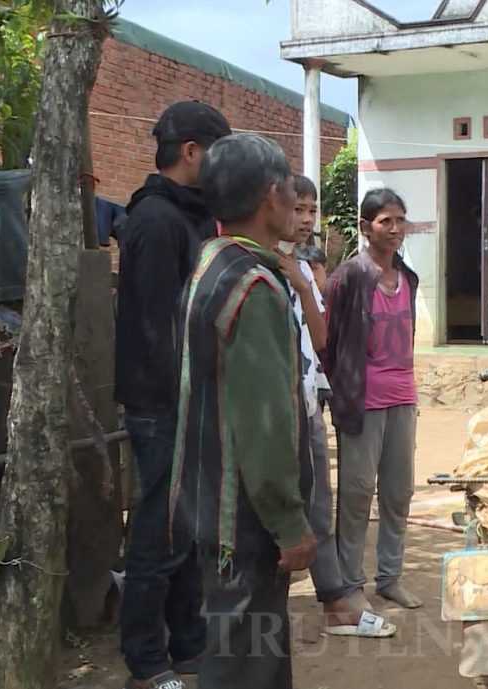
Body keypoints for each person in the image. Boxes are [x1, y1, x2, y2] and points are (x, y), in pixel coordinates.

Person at [168, 133, 316, 689]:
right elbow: (264, 423)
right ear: (272, 196)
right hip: (245, 520)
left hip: (211, 504)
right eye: (289, 190)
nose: (294, 202)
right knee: (245, 664)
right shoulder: (254, 287)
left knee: (253, 657)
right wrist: (290, 523)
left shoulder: (212, 262)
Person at [114, 100, 230, 689]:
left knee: (187, 531)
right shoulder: (158, 220)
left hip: (189, 401)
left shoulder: (190, 217)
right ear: (190, 152)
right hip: (164, 406)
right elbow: (160, 328)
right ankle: (145, 661)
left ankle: (188, 644)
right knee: (157, 533)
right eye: (218, 154)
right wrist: (186, 400)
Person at [274, 175, 376, 636]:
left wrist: (301, 283)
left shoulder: (300, 269)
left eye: (311, 210)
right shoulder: (258, 265)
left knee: (318, 502)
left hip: (309, 396)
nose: (305, 220)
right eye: (297, 209)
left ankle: (334, 599)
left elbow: (321, 338)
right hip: (277, 406)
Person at [322, 188, 422, 622]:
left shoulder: (408, 278)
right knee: (357, 492)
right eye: (385, 221)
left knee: (398, 491)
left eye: (400, 220)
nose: (395, 228)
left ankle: (389, 577)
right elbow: (328, 340)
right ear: (366, 227)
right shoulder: (348, 277)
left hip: (403, 396)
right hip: (361, 400)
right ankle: (349, 583)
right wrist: (338, 392)